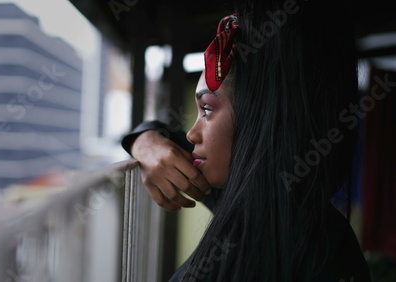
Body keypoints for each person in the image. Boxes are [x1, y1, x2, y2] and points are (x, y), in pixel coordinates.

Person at [121, 0, 372, 281]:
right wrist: (145, 141)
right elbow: (156, 134)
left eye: (206, 110)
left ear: (262, 116)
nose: (191, 134)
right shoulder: (275, 206)